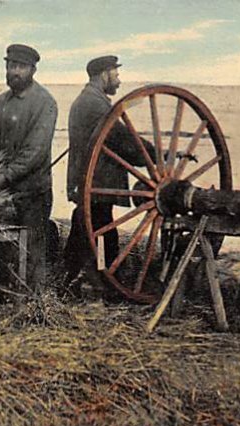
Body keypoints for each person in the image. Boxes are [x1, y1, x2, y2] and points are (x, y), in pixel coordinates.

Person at [63, 55, 156, 290]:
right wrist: (157, 155)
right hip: (97, 183)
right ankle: (103, 277)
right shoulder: (95, 104)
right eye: (116, 74)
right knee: (102, 234)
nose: (118, 80)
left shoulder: (87, 101)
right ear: (104, 74)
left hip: (89, 182)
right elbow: (122, 138)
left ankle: (74, 278)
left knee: (88, 229)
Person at [0, 43, 58, 290]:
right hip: (6, 191)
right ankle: (7, 295)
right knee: (3, 246)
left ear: (32, 70)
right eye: (10, 66)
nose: (14, 72)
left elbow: (35, 152)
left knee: (32, 249)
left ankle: (35, 303)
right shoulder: (1, 102)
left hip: (33, 190)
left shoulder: (45, 103)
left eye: (20, 67)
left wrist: (3, 178)